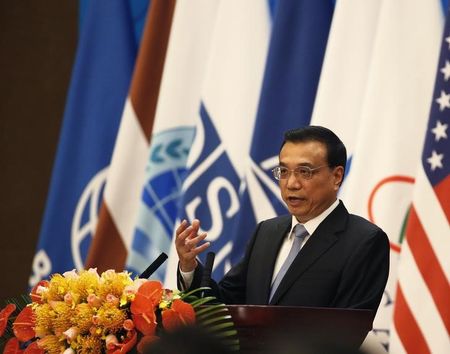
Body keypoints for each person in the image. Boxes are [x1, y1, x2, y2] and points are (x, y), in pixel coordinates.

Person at [175, 125, 389, 311]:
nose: (291, 183)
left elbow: (347, 330)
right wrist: (189, 266)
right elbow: (224, 306)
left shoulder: (364, 241)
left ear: (337, 176)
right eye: (284, 171)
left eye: (305, 172)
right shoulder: (266, 232)